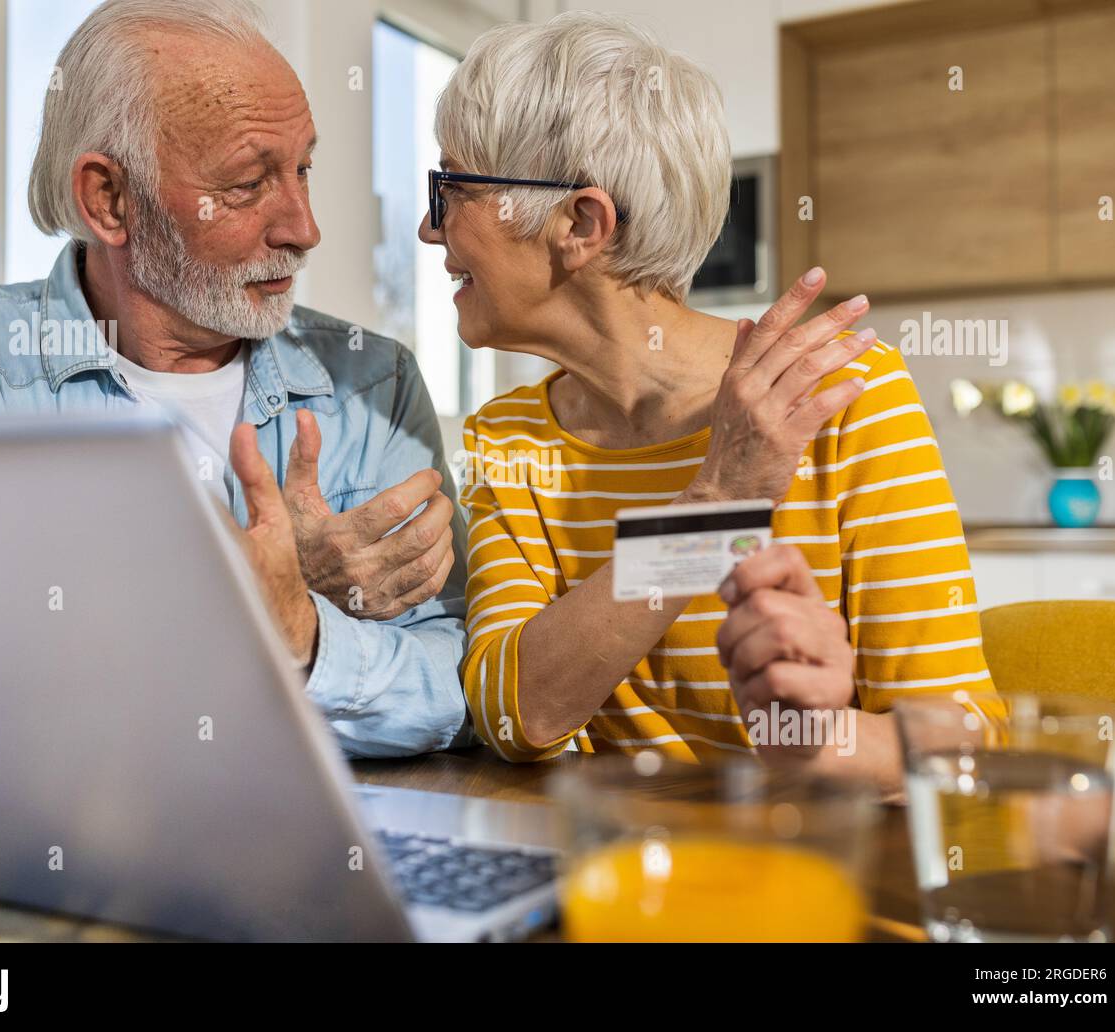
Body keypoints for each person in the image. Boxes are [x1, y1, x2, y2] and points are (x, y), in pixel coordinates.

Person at [0, 0, 468, 758]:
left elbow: (459, 687)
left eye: (303, 169)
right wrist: (255, 608)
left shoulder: (373, 382)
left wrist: (305, 630)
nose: (304, 227)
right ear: (108, 200)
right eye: (249, 184)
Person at [420, 13, 994, 792]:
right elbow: (515, 715)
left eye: (450, 189)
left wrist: (819, 741)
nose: (429, 228)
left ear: (580, 223)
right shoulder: (508, 440)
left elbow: (966, 739)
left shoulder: (836, 398)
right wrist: (716, 506)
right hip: (610, 882)